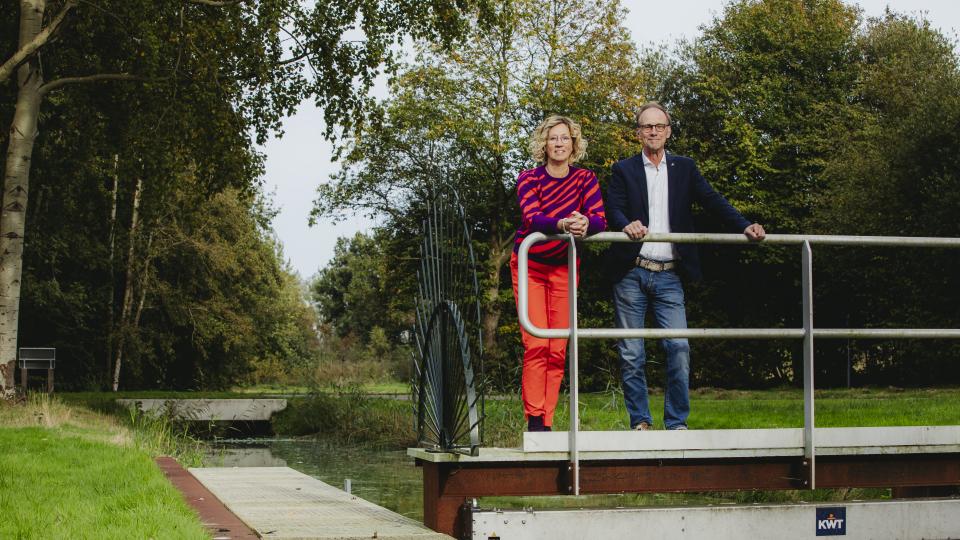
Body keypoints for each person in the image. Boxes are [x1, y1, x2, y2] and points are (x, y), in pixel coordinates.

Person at [606, 101, 765, 431]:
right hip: (631, 272)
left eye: (659, 126)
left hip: (669, 274)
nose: (653, 131)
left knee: (678, 346)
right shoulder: (623, 170)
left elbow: (712, 200)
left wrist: (744, 226)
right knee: (632, 352)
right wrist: (626, 226)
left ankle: (676, 423)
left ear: (668, 132)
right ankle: (641, 422)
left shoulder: (685, 168)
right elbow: (614, 209)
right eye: (647, 127)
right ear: (638, 133)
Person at [512, 115, 606, 432]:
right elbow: (532, 217)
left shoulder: (585, 179)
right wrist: (563, 224)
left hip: (564, 268)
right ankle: (535, 420)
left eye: (565, 138)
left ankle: (547, 420)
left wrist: (584, 224)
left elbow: (599, 220)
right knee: (537, 342)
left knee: (558, 346)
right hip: (531, 266)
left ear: (574, 144)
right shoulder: (529, 179)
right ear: (544, 144)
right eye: (553, 138)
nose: (559, 143)